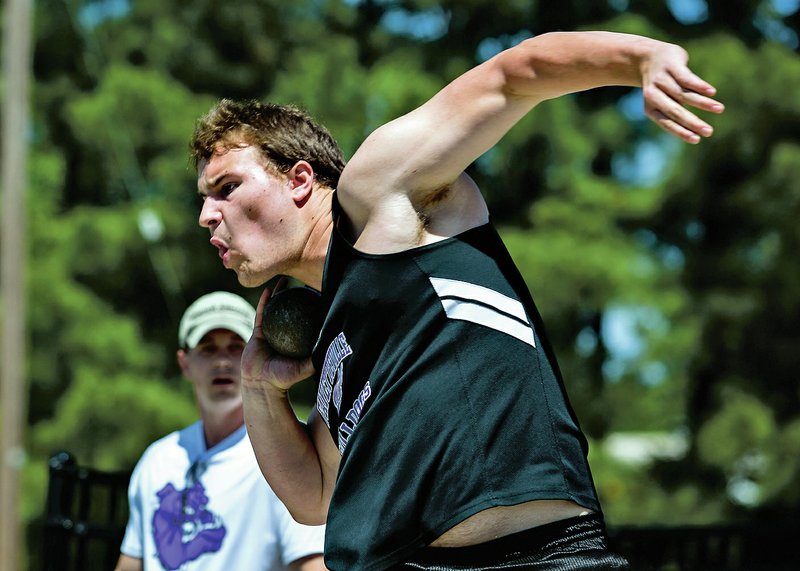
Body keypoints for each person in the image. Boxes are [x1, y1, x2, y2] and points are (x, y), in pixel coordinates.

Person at [190, 31, 724, 571]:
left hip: (532, 560)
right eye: (204, 200)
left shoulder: (376, 195)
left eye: (226, 187)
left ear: (300, 180)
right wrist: (258, 387)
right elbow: (315, 496)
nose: (207, 215)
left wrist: (642, 60)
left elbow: (511, 78)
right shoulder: (333, 343)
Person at [114, 292, 327, 571]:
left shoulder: (289, 452)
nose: (222, 361)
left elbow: (314, 565)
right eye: (208, 348)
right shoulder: (156, 460)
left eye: (236, 346)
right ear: (184, 363)